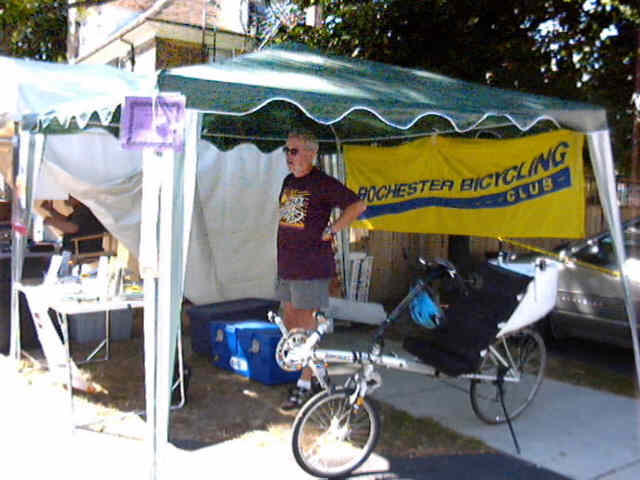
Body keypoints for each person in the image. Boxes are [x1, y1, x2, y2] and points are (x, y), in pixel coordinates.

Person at [276, 130, 366, 411]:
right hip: (287, 264)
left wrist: (333, 229)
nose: (289, 157)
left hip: (311, 265)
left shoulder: (323, 183)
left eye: (294, 151)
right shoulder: (289, 181)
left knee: (305, 324)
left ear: (311, 153)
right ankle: (316, 371)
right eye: (287, 151)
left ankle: (305, 383)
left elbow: (358, 204)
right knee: (291, 322)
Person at [41, 196, 105, 254]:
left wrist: (51, 221)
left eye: (70, 196)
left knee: (41, 251)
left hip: (82, 249)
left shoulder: (83, 210)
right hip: (82, 249)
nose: (66, 197)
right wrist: (51, 210)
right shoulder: (81, 209)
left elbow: (72, 228)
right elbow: (66, 221)